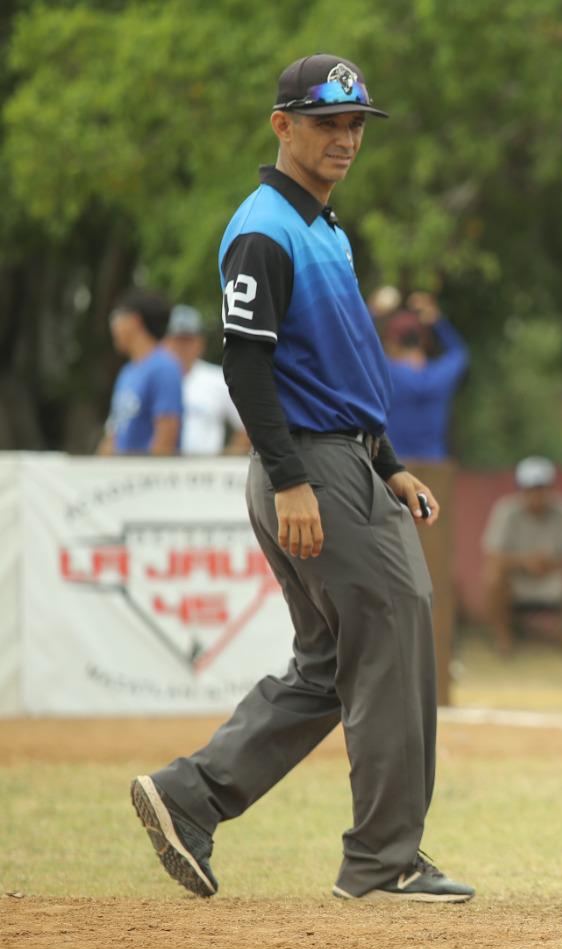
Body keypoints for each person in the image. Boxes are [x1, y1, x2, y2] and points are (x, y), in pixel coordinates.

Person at [129, 54, 472, 903]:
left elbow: (342, 367)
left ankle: (190, 795)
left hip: (344, 459)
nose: (346, 138)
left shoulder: (323, 227)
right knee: (397, 632)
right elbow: (246, 367)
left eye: (355, 124)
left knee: (331, 666)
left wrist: (387, 465)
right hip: (308, 465)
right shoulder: (264, 229)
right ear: (283, 126)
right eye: (326, 123)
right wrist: (292, 481)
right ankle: (383, 859)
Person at [482, 455, 562, 655]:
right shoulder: (506, 511)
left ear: (550, 488)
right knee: (492, 576)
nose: (537, 495)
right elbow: (493, 556)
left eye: (541, 488)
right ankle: (503, 639)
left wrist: (551, 563)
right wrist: (525, 562)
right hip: (518, 580)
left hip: (555, 578)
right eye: (531, 489)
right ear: (521, 490)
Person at [382, 291, 470, 461]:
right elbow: (459, 353)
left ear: (392, 342)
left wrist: (374, 312)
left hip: (394, 468)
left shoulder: (385, 372)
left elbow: (355, 353)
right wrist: (438, 321)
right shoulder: (441, 375)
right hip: (434, 465)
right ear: (423, 341)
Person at [100, 290, 183, 456]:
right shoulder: (127, 372)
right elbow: (113, 435)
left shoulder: (164, 368)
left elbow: (166, 435)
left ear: (134, 320)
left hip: (144, 479)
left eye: (115, 318)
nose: (113, 326)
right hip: (118, 477)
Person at [167, 304, 249, 456]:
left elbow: (248, 425)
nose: (182, 347)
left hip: (207, 472)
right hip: (161, 470)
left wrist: (227, 460)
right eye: (177, 340)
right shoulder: (158, 380)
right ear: (167, 342)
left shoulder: (217, 379)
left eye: (188, 340)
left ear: (200, 343)